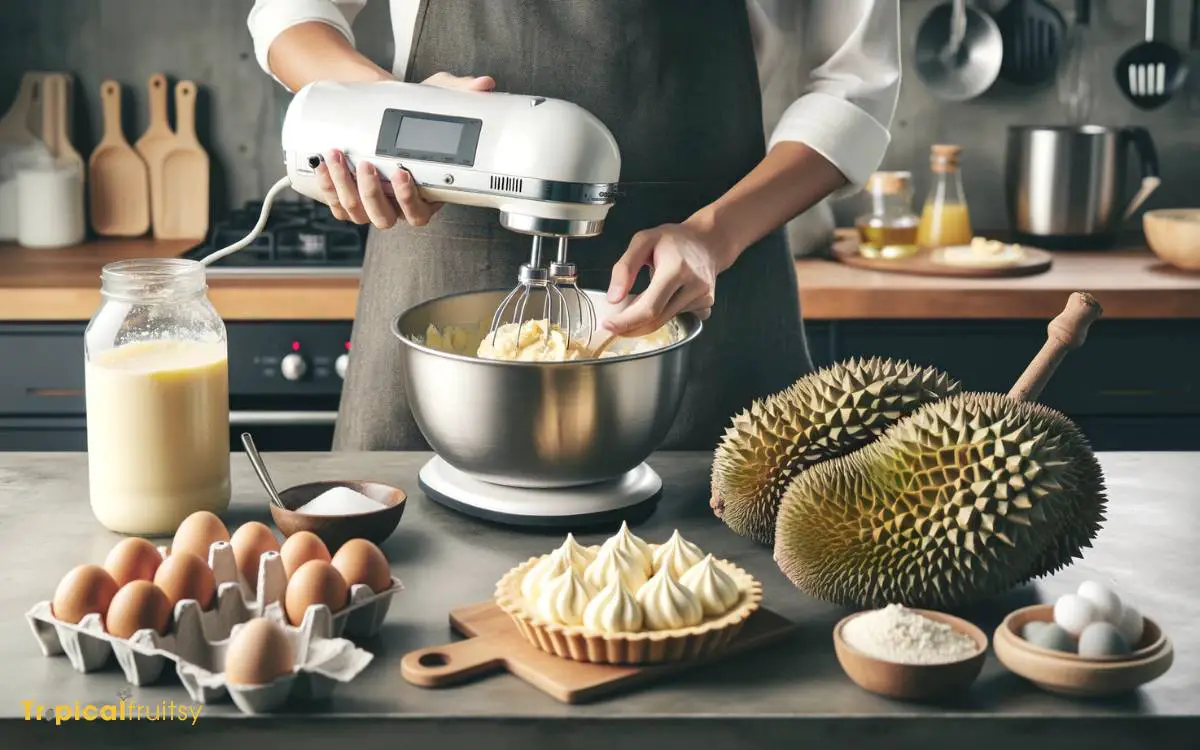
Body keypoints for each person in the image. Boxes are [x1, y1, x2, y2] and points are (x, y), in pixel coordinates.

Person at [248, 0, 901, 452]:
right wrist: (387, 111)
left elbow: (854, 84)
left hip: (706, 278)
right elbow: (289, 15)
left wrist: (714, 236)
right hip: (436, 251)